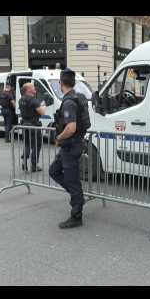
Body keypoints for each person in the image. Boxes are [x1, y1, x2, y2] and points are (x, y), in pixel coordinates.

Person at [49, 68, 91, 229]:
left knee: (73, 182)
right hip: (72, 145)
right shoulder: (78, 97)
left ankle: (76, 215)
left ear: (61, 83)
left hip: (71, 145)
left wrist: (59, 138)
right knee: (54, 171)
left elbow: (71, 127)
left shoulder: (68, 102)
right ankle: (77, 197)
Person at [19, 83, 46, 172]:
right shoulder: (33, 100)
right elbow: (42, 112)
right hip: (34, 126)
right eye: (33, 87)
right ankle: (34, 165)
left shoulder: (21, 99)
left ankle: (24, 161)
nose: (35, 89)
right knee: (36, 145)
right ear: (28, 90)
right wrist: (43, 105)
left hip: (24, 125)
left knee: (27, 144)